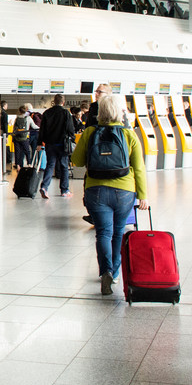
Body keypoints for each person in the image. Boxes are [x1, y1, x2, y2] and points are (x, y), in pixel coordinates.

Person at [71, 94, 148, 295]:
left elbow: (76, 161)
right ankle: (113, 273)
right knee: (118, 232)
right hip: (124, 191)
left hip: (96, 190)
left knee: (103, 233)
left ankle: (104, 270)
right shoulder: (129, 135)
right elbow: (139, 168)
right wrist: (143, 196)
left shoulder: (89, 133)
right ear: (120, 112)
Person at [38, 95, 73, 198]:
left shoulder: (47, 113)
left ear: (54, 101)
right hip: (62, 144)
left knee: (50, 165)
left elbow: (42, 129)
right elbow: (70, 129)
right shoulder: (66, 113)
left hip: (50, 144)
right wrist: (72, 138)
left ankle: (44, 187)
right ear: (63, 102)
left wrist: (40, 142)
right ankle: (64, 190)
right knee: (64, 167)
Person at [12, 106, 37, 170]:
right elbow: (34, 126)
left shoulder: (17, 118)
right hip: (25, 138)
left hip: (17, 138)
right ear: (26, 110)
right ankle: (29, 164)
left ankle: (18, 165)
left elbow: (14, 128)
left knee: (17, 152)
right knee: (27, 151)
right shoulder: (28, 118)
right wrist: (40, 128)